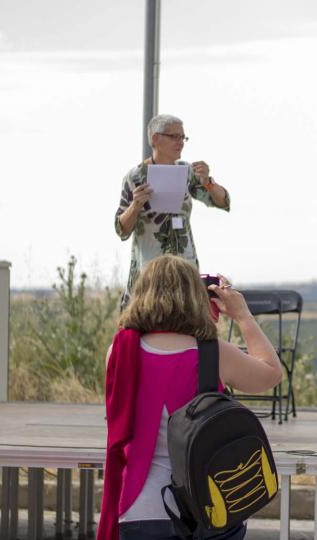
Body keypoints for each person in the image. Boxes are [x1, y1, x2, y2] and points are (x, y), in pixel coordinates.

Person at [97, 255, 282, 540]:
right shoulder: (213, 353)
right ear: (195, 298)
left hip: (138, 509)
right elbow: (271, 373)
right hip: (208, 509)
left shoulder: (119, 353)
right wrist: (242, 315)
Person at [115, 114, 231, 309]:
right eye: (174, 137)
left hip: (184, 267)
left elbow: (222, 202)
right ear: (155, 139)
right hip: (149, 271)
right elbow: (121, 230)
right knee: (149, 321)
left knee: (186, 324)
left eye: (183, 137)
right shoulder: (135, 177)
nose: (180, 142)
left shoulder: (187, 172)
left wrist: (208, 182)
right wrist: (135, 205)